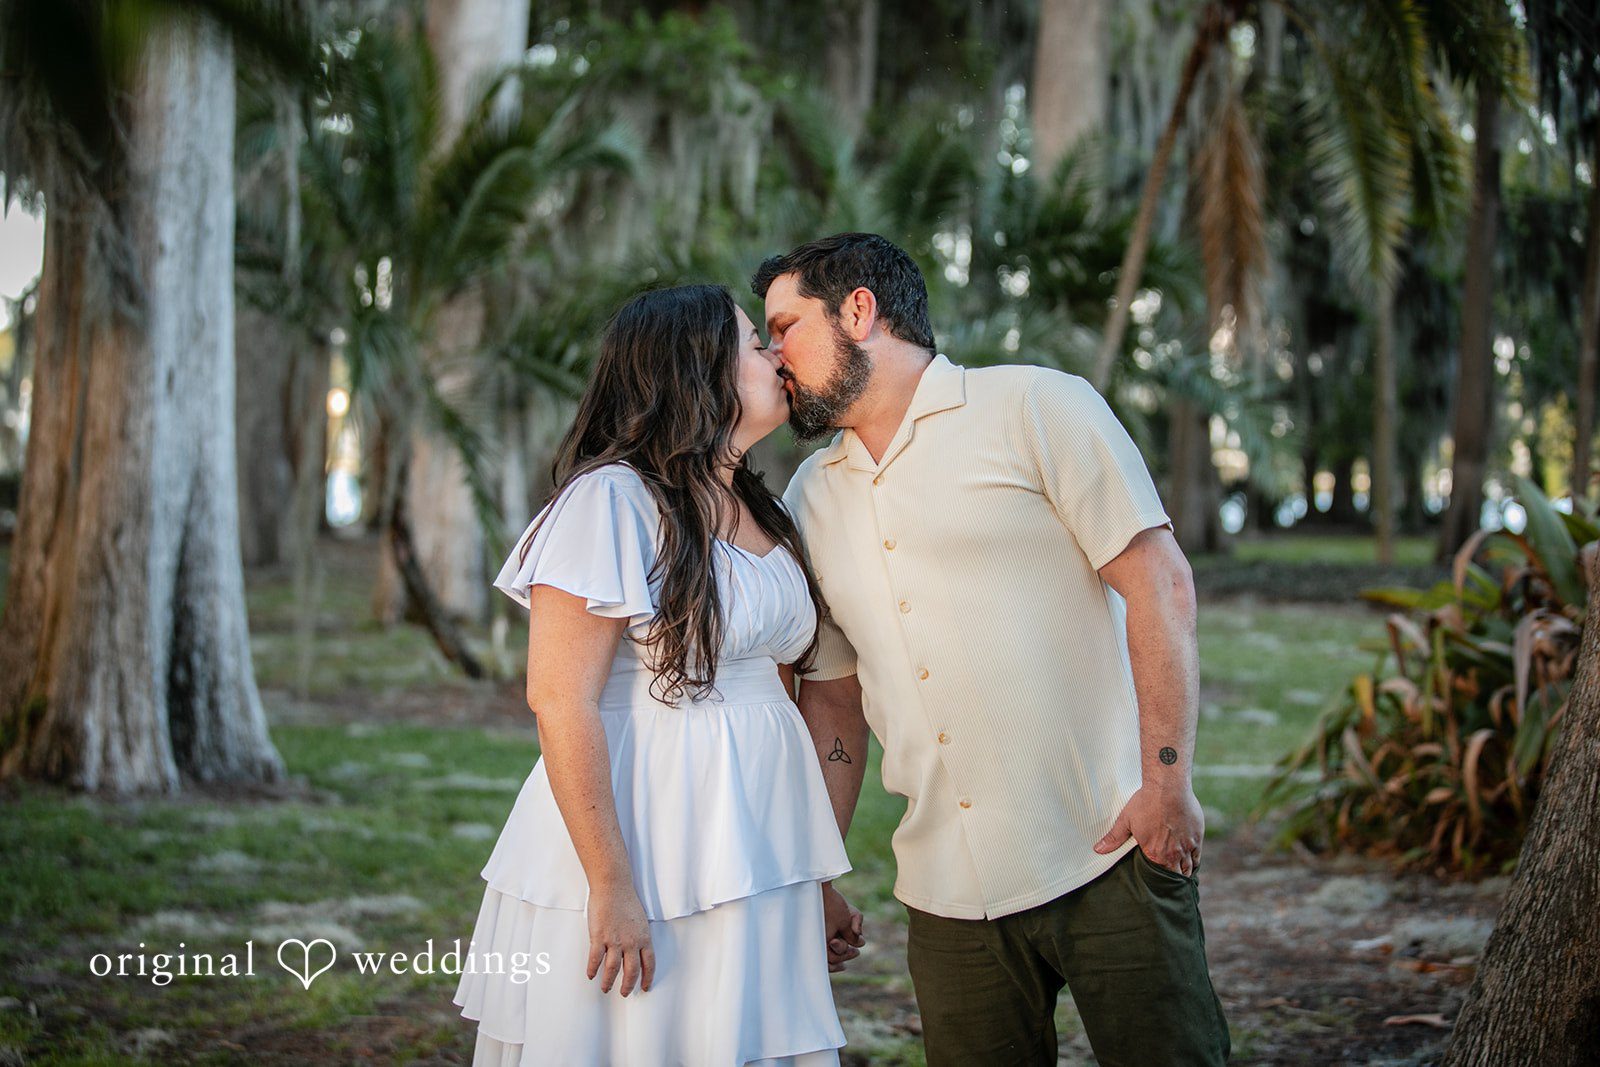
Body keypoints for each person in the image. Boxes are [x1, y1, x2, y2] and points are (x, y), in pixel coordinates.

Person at [758, 233, 1231, 1066]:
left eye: (785, 326)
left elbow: (1160, 583)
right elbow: (831, 697)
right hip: (946, 899)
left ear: (859, 311)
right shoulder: (808, 496)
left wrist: (1167, 784)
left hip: (1112, 850)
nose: (771, 355)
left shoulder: (1035, 407)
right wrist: (819, 873)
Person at [452, 284, 855, 1066]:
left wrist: (813, 875)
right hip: (650, 831)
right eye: (753, 342)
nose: (776, 355)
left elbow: (782, 689)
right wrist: (611, 884)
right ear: (693, 369)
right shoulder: (611, 501)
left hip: (754, 836)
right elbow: (560, 699)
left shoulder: (765, 512)